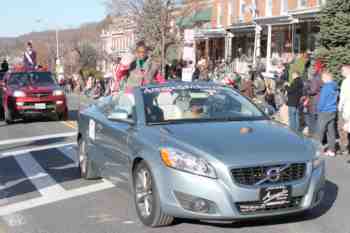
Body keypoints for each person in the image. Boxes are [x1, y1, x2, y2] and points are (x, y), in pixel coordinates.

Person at [318, 70, 339, 157]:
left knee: (320, 131)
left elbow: (322, 100)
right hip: (333, 110)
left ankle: (317, 150)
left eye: (322, 78)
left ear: (326, 78)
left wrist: (319, 109)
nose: (322, 80)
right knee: (331, 131)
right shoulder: (335, 86)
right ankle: (332, 150)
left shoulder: (326, 87)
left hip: (325, 111)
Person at [338, 65, 350, 156]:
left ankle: (345, 148)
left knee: (344, 128)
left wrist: (339, 107)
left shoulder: (346, 82)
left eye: (342, 70)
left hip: (346, 109)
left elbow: (343, 97)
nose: (341, 72)